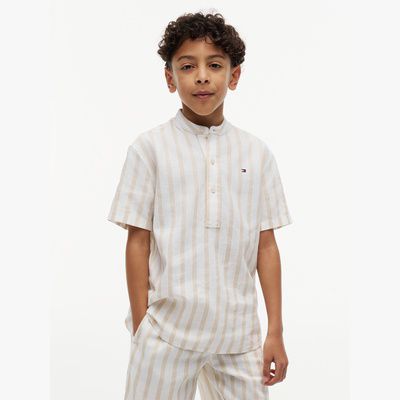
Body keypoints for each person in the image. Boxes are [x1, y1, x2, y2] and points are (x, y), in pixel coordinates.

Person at [107, 11, 293, 399]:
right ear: (170, 78)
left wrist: (274, 330)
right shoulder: (149, 149)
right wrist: (142, 328)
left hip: (238, 338)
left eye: (215, 65)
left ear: (234, 76)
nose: (202, 77)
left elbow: (266, 246)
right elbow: (138, 241)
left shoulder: (256, 154)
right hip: (166, 334)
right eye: (188, 66)